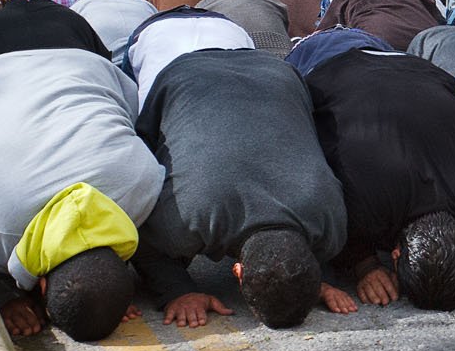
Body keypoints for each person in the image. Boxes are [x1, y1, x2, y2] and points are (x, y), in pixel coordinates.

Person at [0, 0, 164, 341]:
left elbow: (127, 113)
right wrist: (8, 295)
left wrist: (12, 295)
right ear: (41, 285)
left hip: (70, 57)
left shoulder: (141, 188)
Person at [133, 44, 351, 327]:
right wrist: (176, 290)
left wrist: (307, 281)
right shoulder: (189, 216)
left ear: (238, 272)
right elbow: (141, 239)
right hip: (185, 73)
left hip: (275, 72)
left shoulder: (330, 221)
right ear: (237, 272)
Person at [302, 44, 455, 308]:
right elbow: (340, 236)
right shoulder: (360, 208)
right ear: (395, 255)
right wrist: (365, 266)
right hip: (323, 59)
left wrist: (454, 271)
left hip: (413, 65)